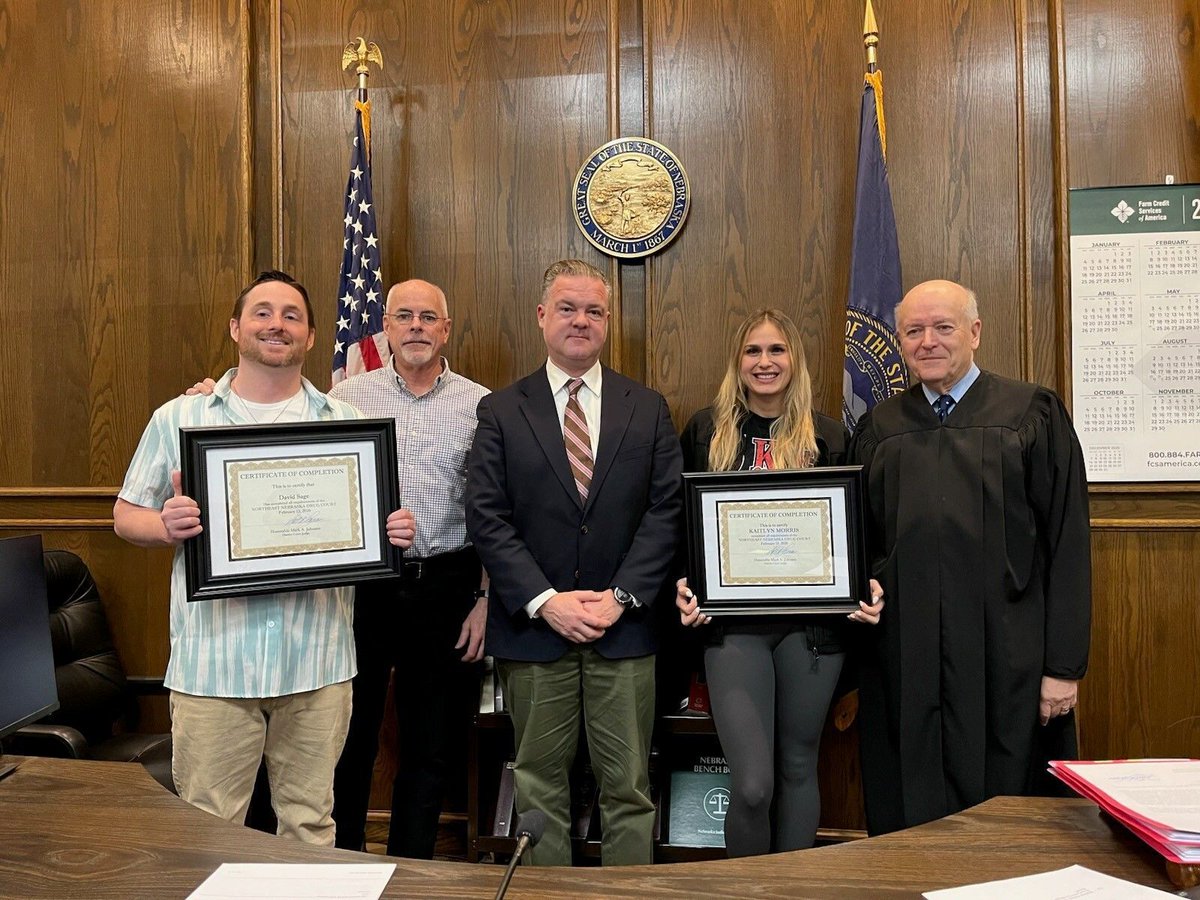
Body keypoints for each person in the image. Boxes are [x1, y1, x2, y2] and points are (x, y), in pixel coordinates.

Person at [113, 271, 415, 846]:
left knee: (310, 827)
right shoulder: (180, 417)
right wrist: (165, 525)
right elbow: (126, 515)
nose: (276, 324)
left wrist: (389, 532)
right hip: (215, 667)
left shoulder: (347, 425)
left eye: (291, 315)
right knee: (208, 831)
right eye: (262, 312)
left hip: (318, 664)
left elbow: (366, 532)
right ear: (235, 327)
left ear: (309, 335)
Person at [849, 278, 1092, 835]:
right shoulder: (880, 427)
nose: (927, 341)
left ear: (975, 332)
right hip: (905, 655)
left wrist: (1063, 667)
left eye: (943, 327)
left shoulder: (1031, 413)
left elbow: (1067, 542)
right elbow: (860, 542)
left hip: (1009, 653)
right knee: (909, 801)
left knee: (1013, 810)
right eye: (913, 331)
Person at [465, 259, 683, 866]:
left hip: (626, 630)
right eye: (567, 308)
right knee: (539, 786)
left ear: (608, 320)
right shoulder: (502, 411)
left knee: (629, 789)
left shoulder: (648, 407)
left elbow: (666, 512)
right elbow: (486, 516)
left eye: (593, 310)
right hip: (535, 633)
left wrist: (620, 598)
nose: (580, 321)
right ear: (542, 317)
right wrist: (545, 601)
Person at [674, 309, 884, 857]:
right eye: (753, 351)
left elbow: (855, 530)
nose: (764, 363)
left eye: (776, 351)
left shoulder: (830, 435)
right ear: (737, 362)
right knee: (751, 784)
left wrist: (865, 586)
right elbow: (682, 528)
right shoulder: (705, 431)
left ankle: (793, 892)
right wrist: (685, 587)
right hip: (733, 628)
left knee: (797, 767)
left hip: (812, 630)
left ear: (794, 361)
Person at [329, 279, 490, 858]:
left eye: (429, 317)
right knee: (351, 737)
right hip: (365, 590)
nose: (417, 326)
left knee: (430, 746)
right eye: (405, 316)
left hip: (448, 587)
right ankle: (343, 862)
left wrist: (485, 598)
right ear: (387, 328)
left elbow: (496, 510)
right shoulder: (346, 398)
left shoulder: (480, 404)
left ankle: (410, 869)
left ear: (446, 329)